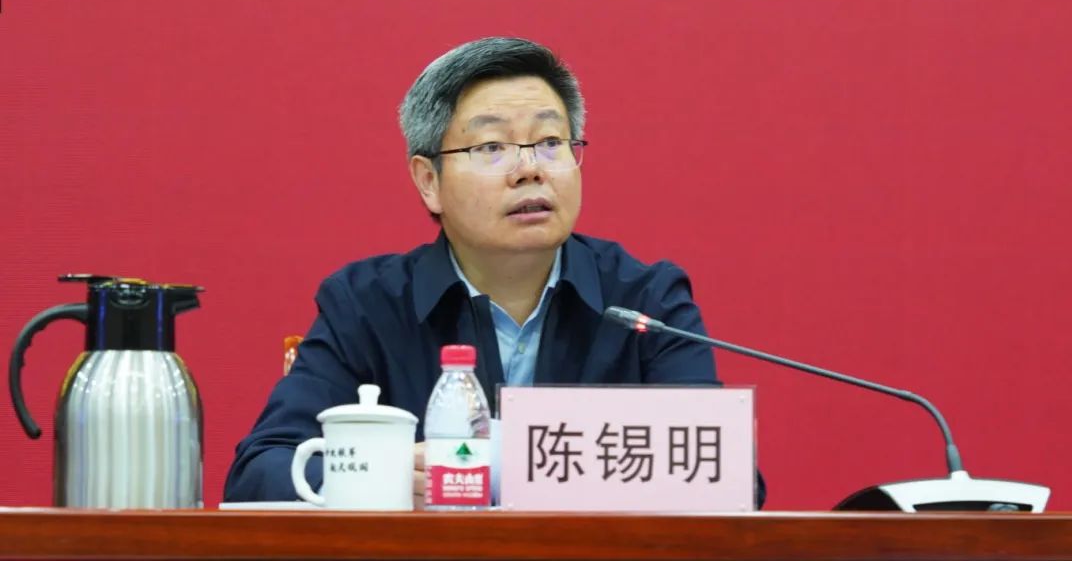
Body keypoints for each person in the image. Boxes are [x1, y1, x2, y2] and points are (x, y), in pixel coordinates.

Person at [224, 37, 764, 506]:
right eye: (491, 147)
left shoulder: (646, 302)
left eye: (550, 143)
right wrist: (383, 477)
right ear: (428, 181)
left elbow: (729, 478)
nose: (529, 169)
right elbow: (260, 472)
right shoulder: (365, 306)